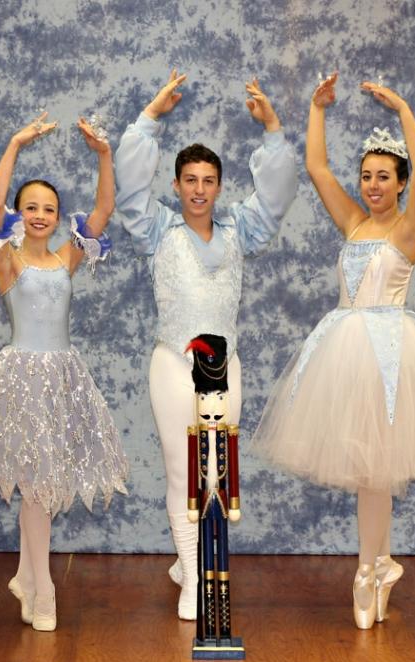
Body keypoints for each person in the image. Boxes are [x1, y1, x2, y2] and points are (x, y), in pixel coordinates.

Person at [251, 74, 415, 629]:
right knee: (365, 469)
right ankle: (375, 566)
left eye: (384, 177)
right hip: (345, 354)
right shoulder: (353, 223)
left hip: (390, 355)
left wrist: (402, 105)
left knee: (378, 470)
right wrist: (315, 108)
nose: (373, 185)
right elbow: (316, 169)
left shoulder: (409, 230)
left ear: (400, 184)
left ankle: (370, 570)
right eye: (368, 176)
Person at [115, 70, 297, 620]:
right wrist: (151, 115)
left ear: (220, 187)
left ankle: (197, 557)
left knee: (217, 471)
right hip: (173, 362)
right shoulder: (157, 230)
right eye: (189, 180)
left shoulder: (241, 230)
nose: (198, 190)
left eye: (208, 181)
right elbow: (127, 185)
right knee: (182, 470)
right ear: (175, 186)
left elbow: (277, 192)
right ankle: (194, 574)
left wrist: (272, 130)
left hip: (226, 366)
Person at [0, 112, 129, 632]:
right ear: (19, 214)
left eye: (48, 209)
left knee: (43, 484)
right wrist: (14, 141)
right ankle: (44, 588)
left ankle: (26, 576)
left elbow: (104, 209)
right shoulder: (7, 261)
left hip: (60, 378)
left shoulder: (66, 259)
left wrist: (103, 153)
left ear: (58, 218)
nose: (39, 215)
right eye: (30, 207)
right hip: (20, 377)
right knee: (37, 486)